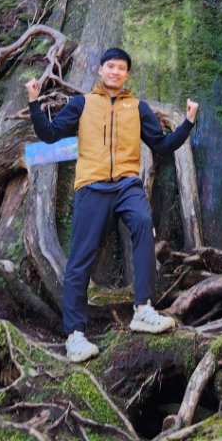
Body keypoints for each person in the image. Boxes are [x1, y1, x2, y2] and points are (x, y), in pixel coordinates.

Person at [26, 46, 198, 363]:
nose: (115, 72)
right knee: (81, 256)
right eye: (110, 66)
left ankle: (143, 310)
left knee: (144, 225)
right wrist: (35, 103)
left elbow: (161, 144)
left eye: (121, 68)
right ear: (101, 70)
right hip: (92, 186)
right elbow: (49, 135)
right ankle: (75, 335)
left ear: (127, 74)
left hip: (127, 184)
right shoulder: (82, 104)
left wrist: (186, 123)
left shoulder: (138, 107)